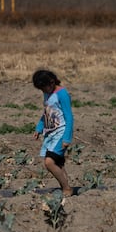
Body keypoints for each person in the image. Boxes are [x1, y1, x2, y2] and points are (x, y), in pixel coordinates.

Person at [32, 69, 74, 197]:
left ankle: (67, 188)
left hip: (61, 132)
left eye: (44, 88)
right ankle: (65, 188)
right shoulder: (47, 94)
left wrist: (67, 138)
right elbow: (47, 112)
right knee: (57, 163)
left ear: (51, 82)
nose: (43, 91)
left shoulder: (62, 94)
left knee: (49, 162)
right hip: (50, 133)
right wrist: (39, 128)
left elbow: (69, 117)